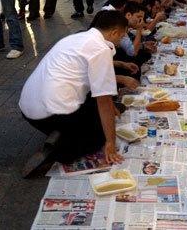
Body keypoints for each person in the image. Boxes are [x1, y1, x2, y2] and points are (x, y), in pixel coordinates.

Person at [19, 10, 129, 168]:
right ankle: (58, 151)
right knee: (99, 135)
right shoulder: (101, 49)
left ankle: (62, 132)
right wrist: (110, 142)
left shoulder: (77, 38)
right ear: (114, 32)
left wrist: (110, 108)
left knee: (103, 112)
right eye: (122, 36)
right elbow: (103, 101)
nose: (121, 40)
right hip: (47, 113)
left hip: (28, 107)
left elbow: (96, 91)